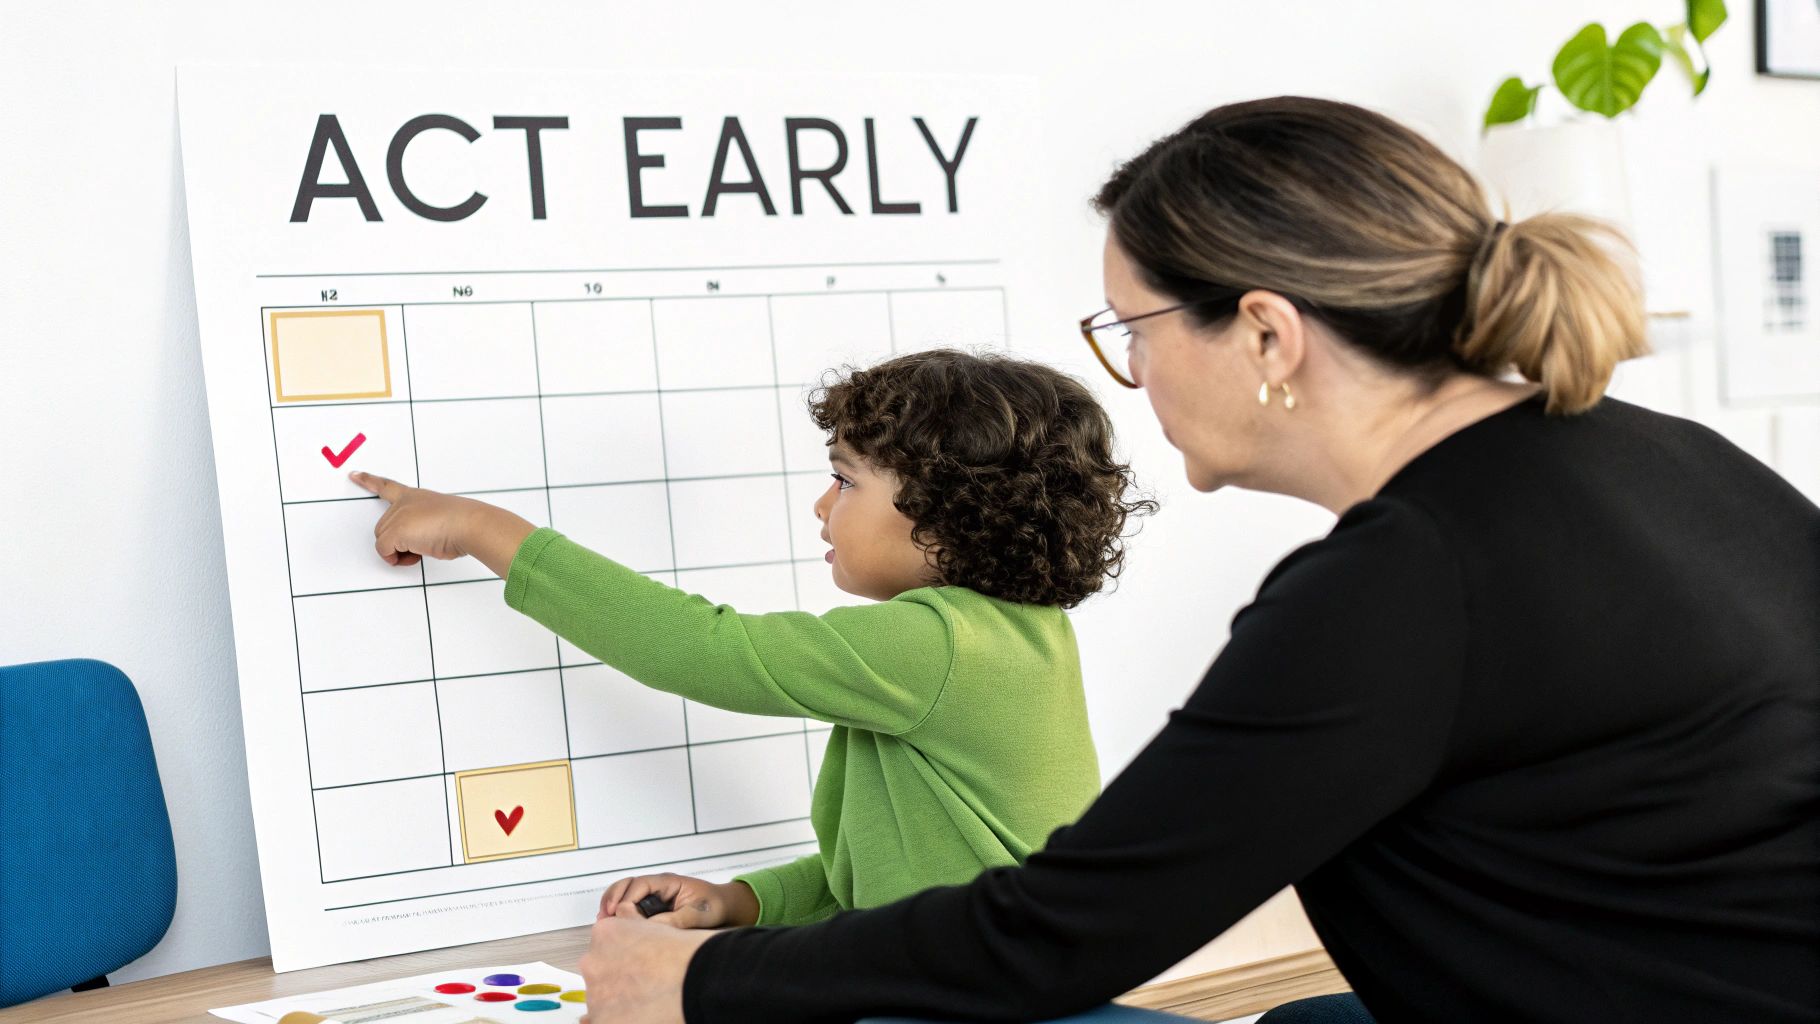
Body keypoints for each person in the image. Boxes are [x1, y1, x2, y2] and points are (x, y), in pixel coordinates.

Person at [571, 96, 1820, 1024]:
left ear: (1265, 332)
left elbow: (1069, 930)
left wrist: (703, 979)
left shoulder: (1402, 583)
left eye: (1134, 328)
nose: (1135, 373)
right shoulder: (1668, 456)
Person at [351, 348, 1153, 930]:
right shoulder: (1013, 637)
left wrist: (488, 531)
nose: (821, 506)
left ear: (946, 517)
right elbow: (895, 875)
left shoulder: (939, 644)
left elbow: (703, 650)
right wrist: (742, 902)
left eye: (845, 480)